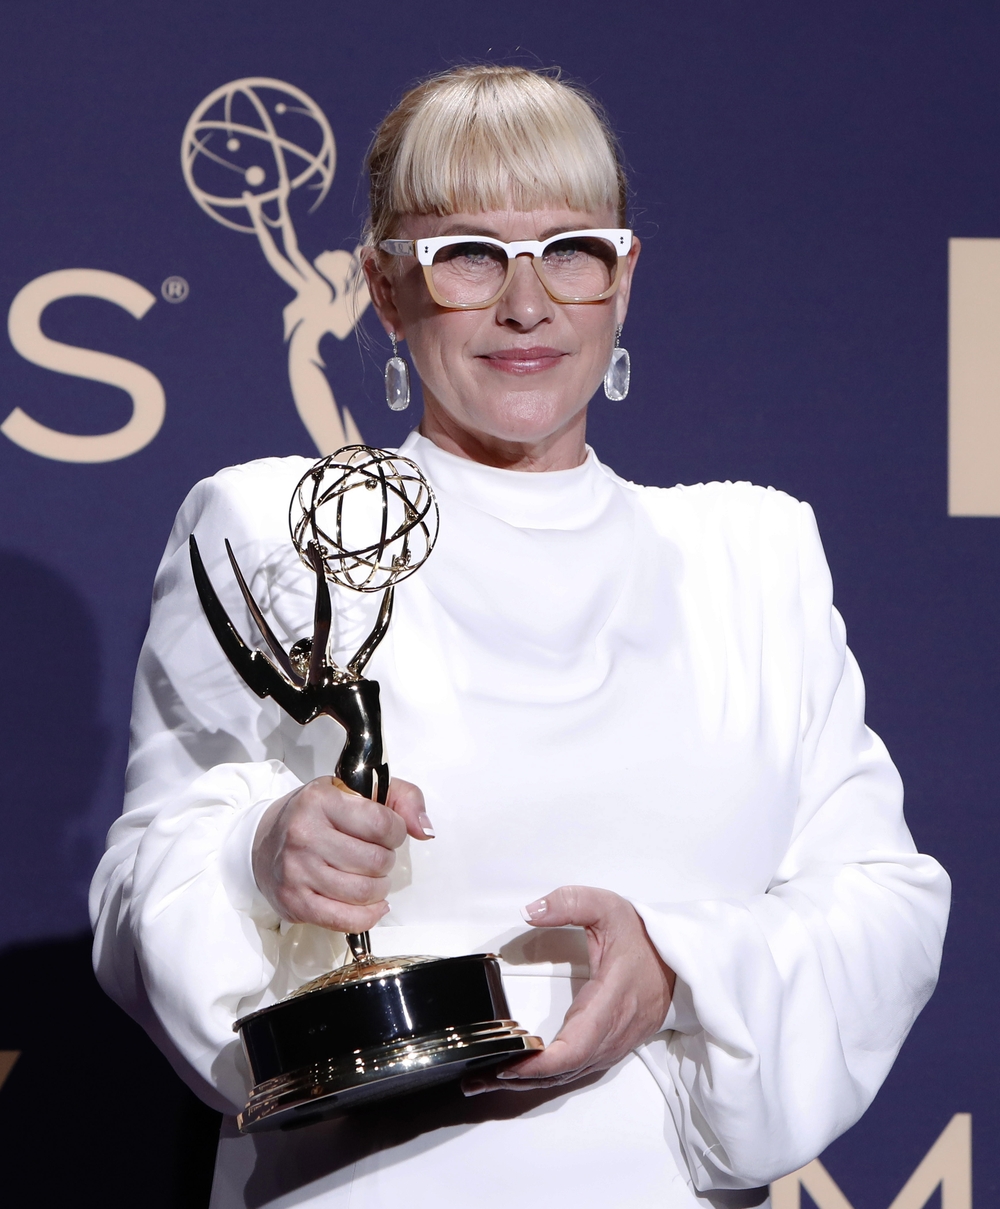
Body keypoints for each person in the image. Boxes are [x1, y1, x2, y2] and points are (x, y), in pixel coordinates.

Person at [90, 65, 950, 1209]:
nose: (526, 304)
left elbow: (879, 900)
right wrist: (262, 851)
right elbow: (139, 883)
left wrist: (678, 965)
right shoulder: (270, 530)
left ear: (624, 279)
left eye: (571, 250)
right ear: (386, 291)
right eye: (467, 256)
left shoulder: (755, 552)